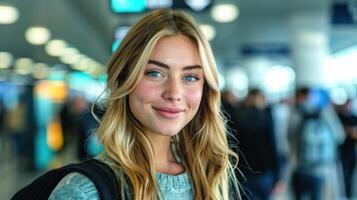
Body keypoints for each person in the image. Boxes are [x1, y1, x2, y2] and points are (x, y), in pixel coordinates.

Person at [49, 9, 239, 200]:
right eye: (155, 73)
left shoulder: (210, 176)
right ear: (124, 79)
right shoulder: (81, 192)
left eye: (190, 77)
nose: (174, 93)